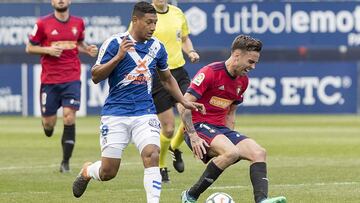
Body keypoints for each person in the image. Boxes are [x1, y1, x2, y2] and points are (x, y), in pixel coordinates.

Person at [71, 2, 203, 202]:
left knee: (152, 154)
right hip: (115, 113)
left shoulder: (157, 47)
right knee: (108, 171)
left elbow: (167, 79)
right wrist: (118, 57)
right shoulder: (115, 43)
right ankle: (88, 171)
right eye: (149, 22)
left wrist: (184, 101)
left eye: (155, 22)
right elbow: (96, 76)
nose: (153, 27)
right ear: (135, 20)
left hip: (144, 111)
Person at [178, 35, 287, 203]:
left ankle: (262, 200)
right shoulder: (210, 72)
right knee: (232, 152)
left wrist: (229, 136)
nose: (253, 67)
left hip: (220, 130)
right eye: (250, 61)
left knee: (259, 152)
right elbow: (183, 105)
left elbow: (231, 112)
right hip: (199, 127)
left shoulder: (243, 81)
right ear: (237, 56)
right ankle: (190, 195)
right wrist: (192, 136)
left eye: (255, 62)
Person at [25, 0, 98, 173]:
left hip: (71, 77)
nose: (60, 0)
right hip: (49, 80)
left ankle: (65, 162)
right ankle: (47, 127)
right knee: (49, 124)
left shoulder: (78, 22)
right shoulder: (42, 23)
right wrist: (47, 50)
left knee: (69, 117)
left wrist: (87, 49)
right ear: (52, 2)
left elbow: (78, 43)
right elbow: (29, 48)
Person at [151, 0, 200, 183]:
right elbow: (134, 40)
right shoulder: (145, 15)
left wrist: (191, 51)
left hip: (179, 72)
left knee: (189, 113)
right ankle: (161, 164)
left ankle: (174, 147)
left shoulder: (178, 13)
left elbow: (185, 38)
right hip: (158, 75)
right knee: (169, 128)